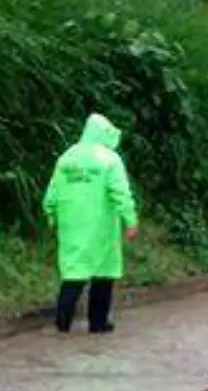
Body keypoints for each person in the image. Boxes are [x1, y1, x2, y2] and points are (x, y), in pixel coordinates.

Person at [43, 113, 138, 334]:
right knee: (103, 275)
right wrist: (130, 220)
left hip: (71, 226)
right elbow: (120, 192)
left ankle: (62, 322)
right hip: (101, 227)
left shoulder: (66, 158)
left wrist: (51, 215)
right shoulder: (110, 159)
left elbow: (52, 193)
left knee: (73, 272)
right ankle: (98, 323)